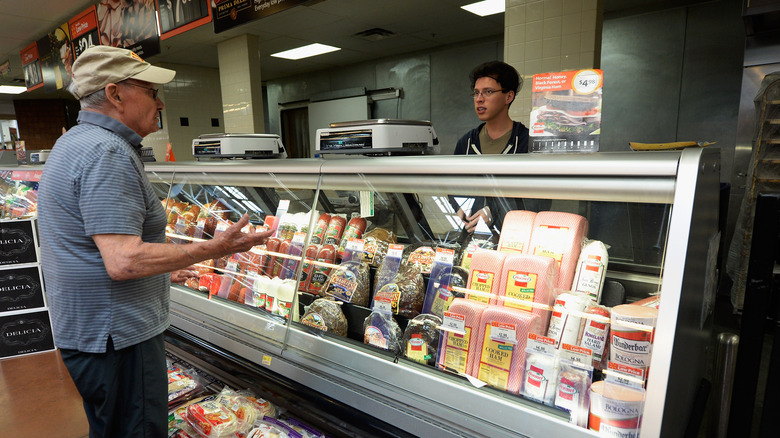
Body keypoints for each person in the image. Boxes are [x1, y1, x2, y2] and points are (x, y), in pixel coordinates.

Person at [37, 45, 273, 438]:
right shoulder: (105, 151)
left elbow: (92, 246)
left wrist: (164, 272)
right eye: (149, 90)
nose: (159, 101)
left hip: (90, 333)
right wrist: (217, 247)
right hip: (118, 339)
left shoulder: (74, 141)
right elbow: (123, 260)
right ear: (114, 94)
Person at [453, 61, 530, 233]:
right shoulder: (466, 143)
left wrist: (492, 212)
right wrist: (459, 208)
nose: (479, 99)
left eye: (488, 92)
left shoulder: (526, 142)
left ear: (508, 97)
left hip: (513, 239)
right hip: (471, 240)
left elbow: (536, 200)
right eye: (476, 93)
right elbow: (452, 188)